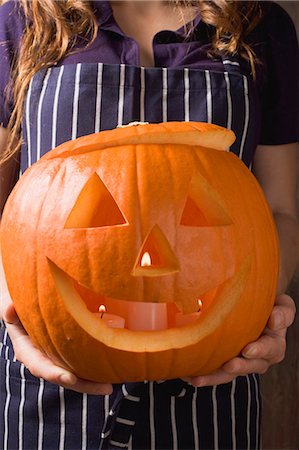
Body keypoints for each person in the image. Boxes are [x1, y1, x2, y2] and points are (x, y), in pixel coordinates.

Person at [0, 0, 298, 449]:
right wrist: (16, 311)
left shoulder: (260, 24)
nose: (149, 263)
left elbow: (280, 210)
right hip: (49, 380)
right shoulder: (21, 20)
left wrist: (260, 311)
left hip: (215, 382)